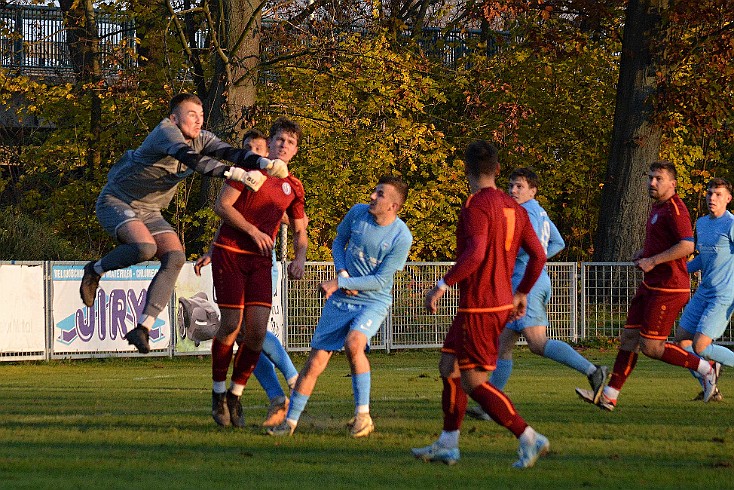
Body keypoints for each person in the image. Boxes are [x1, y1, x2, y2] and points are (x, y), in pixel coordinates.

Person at [79, 93, 288, 354]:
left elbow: (231, 152)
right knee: (145, 248)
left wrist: (266, 163)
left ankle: (142, 327)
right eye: (192, 115)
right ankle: (95, 270)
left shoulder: (202, 137)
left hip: (151, 210)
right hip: (117, 200)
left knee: (176, 257)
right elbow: (192, 160)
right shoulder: (165, 133)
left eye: (201, 116)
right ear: (174, 118)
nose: (198, 121)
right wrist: (237, 174)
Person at [411, 141, 549, 469]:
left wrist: (443, 284)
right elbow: (539, 254)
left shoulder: (476, 204)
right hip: (494, 302)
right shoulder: (514, 206)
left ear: (466, 169)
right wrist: (522, 292)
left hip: (481, 305)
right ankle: (448, 443)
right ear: (498, 170)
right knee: (449, 367)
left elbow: (475, 253)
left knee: (474, 383)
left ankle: (528, 436)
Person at [267, 176, 413, 438]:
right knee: (315, 363)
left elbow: (380, 280)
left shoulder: (402, 237)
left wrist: (342, 281)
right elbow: (338, 241)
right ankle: (288, 424)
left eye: (379, 194)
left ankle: (363, 417)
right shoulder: (357, 213)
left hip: (373, 300)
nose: (372, 196)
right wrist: (342, 271)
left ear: (393, 206)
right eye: (374, 191)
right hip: (341, 298)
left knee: (354, 343)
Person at [466, 168, 608, 421]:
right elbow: (558, 243)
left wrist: (518, 258)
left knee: (537, 343)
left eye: (519, 186)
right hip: (533, 280)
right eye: (511, 185)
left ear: (533, 190)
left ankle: (593, 371)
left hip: (526, 284)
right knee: (503, 345)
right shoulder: (540, 212)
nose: (513, 190)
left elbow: (520, 246)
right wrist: (537, 260)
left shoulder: (525, 213)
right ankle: (490, 405)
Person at [576, 161, 719, 409]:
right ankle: (610, 396)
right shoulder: (657, 208)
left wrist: (653, 260)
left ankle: (706, 368)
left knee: (652, 347)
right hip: (651, 284)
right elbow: (667, 243)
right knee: (629, 338)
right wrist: (644, 253)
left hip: (670, 287)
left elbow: (687, 245)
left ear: (672, 184)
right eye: (650, 177)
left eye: (658, 179)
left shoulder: (676, 209)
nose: (652, 183)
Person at [194, 117, 307, 428]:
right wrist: (251, 229)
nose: (284, 145)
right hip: (230, 254)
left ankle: (235, 395)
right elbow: (222, 206)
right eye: (279, 140)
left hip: (260, 260)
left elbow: (300, 228)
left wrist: (300, 257)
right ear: (269, 144)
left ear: (295, 151)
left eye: (290, 142)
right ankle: (218, 394)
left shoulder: (293, 186)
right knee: (232, 325)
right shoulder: (248, 172)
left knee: (256, 332)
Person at [674, 177, 734, 400]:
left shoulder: (731, 224)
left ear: (728, 199)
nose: (712, 198)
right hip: (704, 292)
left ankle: (714, 367)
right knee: (681, 341)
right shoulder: (702, 223)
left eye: (718, 194)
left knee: (700, 346)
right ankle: (710, 384)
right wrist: (680, 270)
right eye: (710, 193)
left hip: (723, 295)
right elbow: (703, 258)